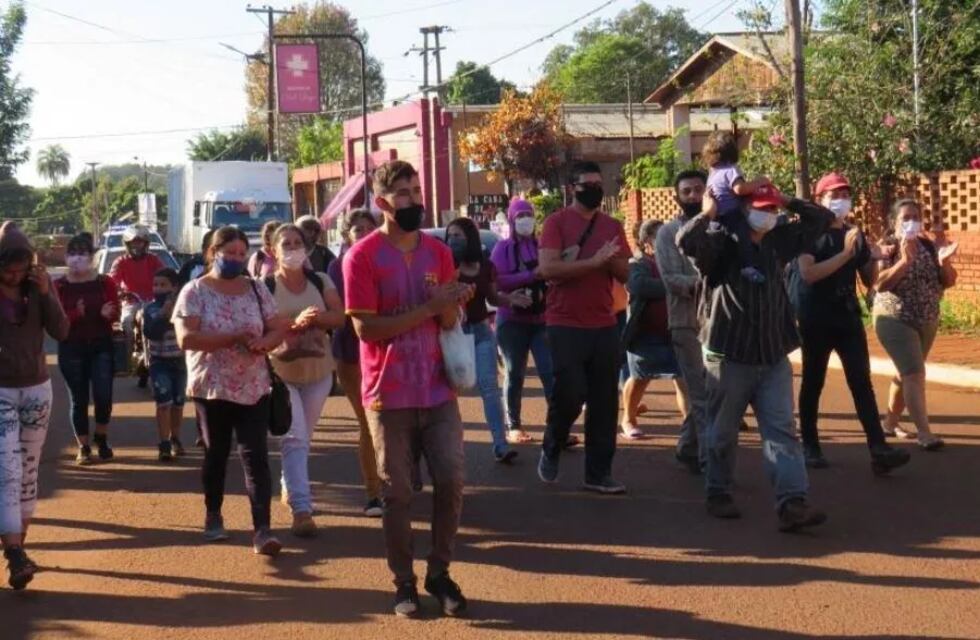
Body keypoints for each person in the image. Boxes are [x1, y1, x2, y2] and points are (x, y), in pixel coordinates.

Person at [344, 159, 474, 618]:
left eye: (417, 191)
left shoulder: (438, 252)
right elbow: (366, 329)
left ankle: (439, 572)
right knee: (396, 493)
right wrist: (430, 308)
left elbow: (449, 320)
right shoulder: (361, 256)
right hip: (387, 394)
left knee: (451, 479)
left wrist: (452, 305)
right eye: (403, 194)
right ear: (382, 203)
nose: (414, 200)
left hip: (437, 390)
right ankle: (404, 581)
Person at [678, 184, 831, 532]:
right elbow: (686, 242)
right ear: (743, 209)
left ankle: (792, 502)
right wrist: (708, 211)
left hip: (773, 353)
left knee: (782, 431)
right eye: (762, 207)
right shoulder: (720, 241)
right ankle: (718, 490)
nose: (769, 214)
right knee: (722, 432)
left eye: (773, 209)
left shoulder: (779, 240)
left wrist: (785, 198)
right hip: (729, 354)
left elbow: (822, 219)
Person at [173, 226, 291, 556]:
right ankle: (213, 514)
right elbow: (186, 338)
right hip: (212, 388)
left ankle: (263, 529)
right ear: (213, 253)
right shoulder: (194, 291)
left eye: (242, 253)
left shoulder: (256, 289)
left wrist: (265, 343)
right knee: (217, 454)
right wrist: (233, 338)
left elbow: (277, 327)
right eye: (230, 253)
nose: (237, 259)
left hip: (254, 386)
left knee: (256, 456)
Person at [791, 173, 911, 473]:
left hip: (846, 314)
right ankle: (810, 445)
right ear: (819, 200)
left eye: (845, 195)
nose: (841, 200)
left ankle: (878, 449)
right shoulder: (808, 232)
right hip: (815, 316)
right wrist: (846, 253)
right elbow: (808, 274)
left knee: (861, 381)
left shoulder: (852, 233)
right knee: (813, 380)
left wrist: (875, 255)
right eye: (834, 195)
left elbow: (869, 280)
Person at [536, 161, 631, 495]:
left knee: (604, 401)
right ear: (571, 189)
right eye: (587, 184)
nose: (594, 190)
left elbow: (625, 273)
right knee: (571, 392)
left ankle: (598, 473)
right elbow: (548, 269)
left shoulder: (612, 226)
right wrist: (593, 262)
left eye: (598, 184)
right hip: (564, 322)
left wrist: (613, 260)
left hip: (604, 322)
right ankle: (553, 442)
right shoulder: (556, 223)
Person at [0, 221, 69, 590]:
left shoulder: (39, 287)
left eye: (20, 270)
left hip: (37, 390)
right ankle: (14, 551)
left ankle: (18, 551)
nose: (14, 276)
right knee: (7, 471)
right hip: (1, 390)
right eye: (7, 270)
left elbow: (61, 331)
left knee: (27, 472)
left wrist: (45, 293)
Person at [264, 223, 345, 538]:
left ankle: (290, 483)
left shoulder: (320, 280)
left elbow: (339, 316)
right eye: (286, 244)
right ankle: (302, 509)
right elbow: (262, 326)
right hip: (281, 374)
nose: (293, 248)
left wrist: (315, 319)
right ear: (273, 251)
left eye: (298, 242)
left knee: (303, 438)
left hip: (318, 373)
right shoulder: (265, 286)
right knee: (294, 438)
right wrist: (293, 324)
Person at [873, 199, 957, 451]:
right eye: (906, 218)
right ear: (894, 222)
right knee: (914, 373)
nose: (912, 222)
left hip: (927, 318)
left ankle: (890, 423)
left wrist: (945, 262)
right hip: (894, 318)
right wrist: (904, 261)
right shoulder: (887, 247)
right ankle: (924, 433)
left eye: (916, 217)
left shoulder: (928, 246)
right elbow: (879, 283)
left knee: (905, 373)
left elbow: (948, 281)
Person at [446, 216, 525, 463]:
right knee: (449, 393)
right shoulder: (445, 265)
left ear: (470, 238)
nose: (452, 240)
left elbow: (493, 298)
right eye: (450, 236)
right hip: (453, 335)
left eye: (458, 235)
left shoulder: (485, 266)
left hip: (480, 332)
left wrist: (510, 299)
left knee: (489, 388)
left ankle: (500, 445)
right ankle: (450, 449)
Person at [328, 209, 384, 517]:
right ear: (346, 235)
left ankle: (398, 478)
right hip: (352, 353)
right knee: (368, 422)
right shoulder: (339, 265)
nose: (363, 233)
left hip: (390, 350)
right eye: (357, 229)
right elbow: (350, 307)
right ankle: (374, 493)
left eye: (368, 227)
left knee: (396, 422)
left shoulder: (389, 259)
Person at [655, 170, 711, 472]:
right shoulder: (667, 233)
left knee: (715, 392)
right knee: (701, 394)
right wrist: (711, 284)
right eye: (686, 191)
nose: (693, 196)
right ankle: (710, 463)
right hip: (686, 322)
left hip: (720, 322)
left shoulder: (719, 226)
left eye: (698, 189)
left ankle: (688, 446)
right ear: (677, 197)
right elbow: (671, 280)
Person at [490, 198, 554, 444]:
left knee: (549, 372)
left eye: (529, 215)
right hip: (511, 321)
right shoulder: (502, 248)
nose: (525, 220)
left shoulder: (541, 245)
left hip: (541, 320)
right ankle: (514, 426)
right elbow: (497, 280)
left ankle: (556, 426)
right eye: (520, 216)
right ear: (511, 220)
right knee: (514, 373)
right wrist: (530, 275)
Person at [54, 233, 120, 464]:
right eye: (72, 253)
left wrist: (107, 314)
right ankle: (83, 446)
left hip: (101, 345)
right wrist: (75, 314)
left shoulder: (104, 282)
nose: (77, 258)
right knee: (78, 398)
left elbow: (116, 312)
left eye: (82, 253)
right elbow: (54, 320)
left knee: (103, 395)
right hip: (71, 347)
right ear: (65, 257)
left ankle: (101, 436)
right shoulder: (59, 286)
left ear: (92, 257)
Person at [620, 220, 681, 438]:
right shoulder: (637, 263)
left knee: (683, 379)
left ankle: (692, 428)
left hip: (675, 331)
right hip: (645, 333)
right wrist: (675, 284)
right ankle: (628, 418)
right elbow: (638, 286)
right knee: (639, 377)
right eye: (660, 236)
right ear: (647, 242)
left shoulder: (676, 261)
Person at [702, 131, 772, 284]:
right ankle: (748, 266)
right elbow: (740, 189)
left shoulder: (713, 173)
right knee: (744, 239)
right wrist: (761, 181)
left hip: (717, 217)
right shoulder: (731, 169)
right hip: (732, 214)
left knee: (723, 244)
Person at [109, 224, 164, 385]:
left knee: (164, 324)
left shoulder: (153, 260)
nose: (137, 245)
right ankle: (126, 364)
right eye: (133, 242)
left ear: (146, 243)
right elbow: (112, 282)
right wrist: (119, 291)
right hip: (131, 302)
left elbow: (164, 275)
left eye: (140, 242)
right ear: (127, 244)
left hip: (152, 301)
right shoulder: (121, 261)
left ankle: (162, 358)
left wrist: (163, 288)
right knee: (126, 323)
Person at [142, 268, 187, 462]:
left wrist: (174, 314)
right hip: (159, 362)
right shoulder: (150, 309)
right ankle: (164, 443)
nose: (158, 289)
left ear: (174, 287)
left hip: (180, 362)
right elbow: (151, 332)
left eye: (163, 285)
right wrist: (163, 314)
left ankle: (175, 437)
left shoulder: (184, 306)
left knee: (178, 403)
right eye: (155, 285)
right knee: (163, 403)